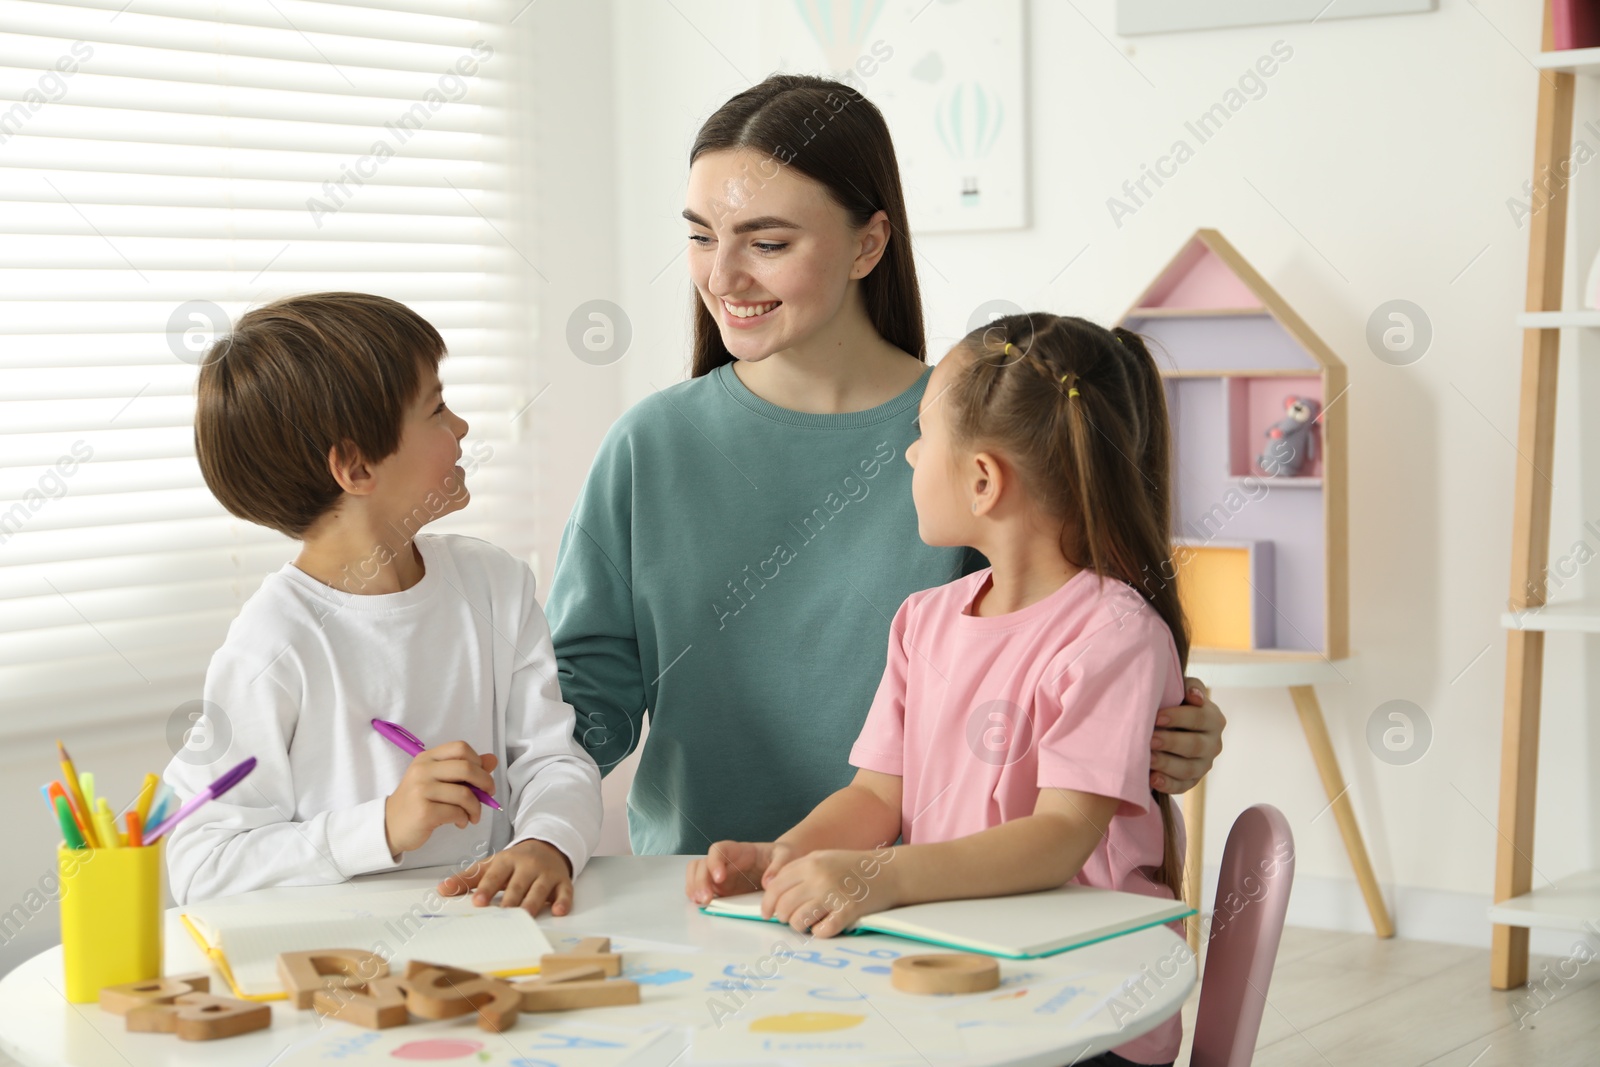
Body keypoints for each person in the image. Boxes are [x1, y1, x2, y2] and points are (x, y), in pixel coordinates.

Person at [546, 74, 1224, 858]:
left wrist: (1169, 729)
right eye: (701, 235)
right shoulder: (648, 446)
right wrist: (506, 786)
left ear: (869, 243)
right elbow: (582, 701)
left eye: (766, 243)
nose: (721, 278)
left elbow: (1077, 643)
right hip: (707, 891)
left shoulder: (978, 439)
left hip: (937, 899)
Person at [687, 313, 1190, 1067]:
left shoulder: (1112, 635)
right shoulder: (923, 621)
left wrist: (878, 876)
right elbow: (874, 797)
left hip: (1089, 1001)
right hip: (956, 972)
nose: (911, 453)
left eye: (924, 436)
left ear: (983, 480)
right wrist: (785, 855)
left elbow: (1060, 837)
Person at [162, 292, 602, 917]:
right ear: (357, 466)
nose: (461, 427)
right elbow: (202, 867)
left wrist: (545, 843)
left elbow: (554, 759)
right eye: (438, 408)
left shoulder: (494, 585)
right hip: (344, 966)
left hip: (493, 935)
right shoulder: (273, 645)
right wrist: (384, 826)